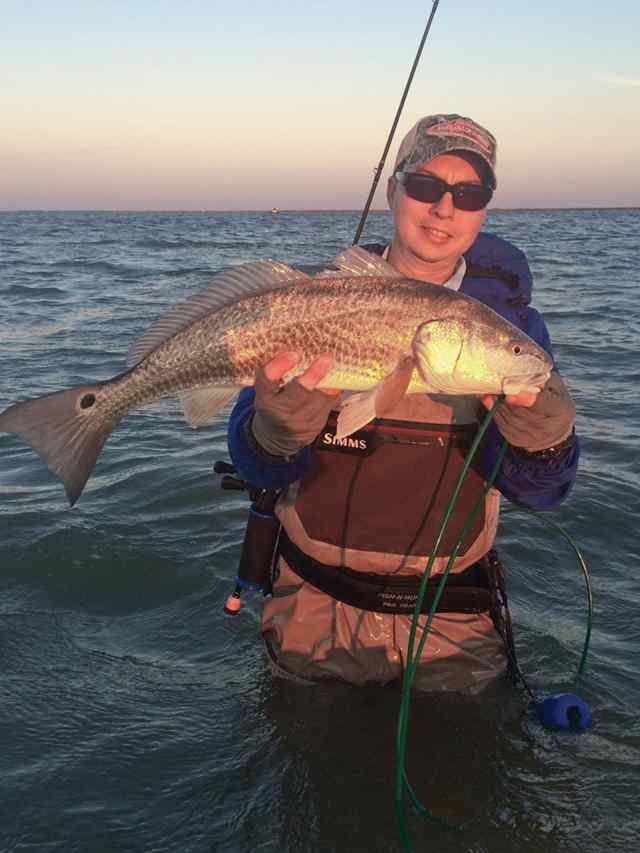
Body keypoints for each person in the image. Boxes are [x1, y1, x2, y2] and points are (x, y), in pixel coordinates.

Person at [227, 114, 579, 692]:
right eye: (425, 186)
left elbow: (542, 492)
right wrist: (273, 432)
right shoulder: (314, 302)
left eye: (469, 194)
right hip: (310, 614)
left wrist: (545, 442)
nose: (445, 208)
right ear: (393, 191)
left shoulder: (511, 331)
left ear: (485, 209)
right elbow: (256, 467)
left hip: (454, 625)